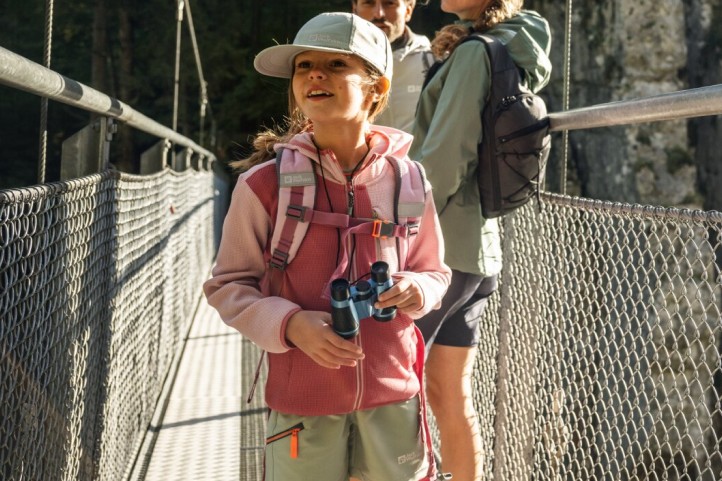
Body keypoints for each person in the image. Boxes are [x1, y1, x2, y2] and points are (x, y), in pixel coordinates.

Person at [203, 12, 451, 481]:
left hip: (394, 390)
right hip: (304, 400)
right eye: (304, 66)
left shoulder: (408, 182)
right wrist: (290, 324)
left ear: (377, 89)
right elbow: (227, 286)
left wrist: (416, 287)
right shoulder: (265, 185)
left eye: (337, 64)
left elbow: (435, 270)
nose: (315, 73)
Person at [409, 1, 552, 480]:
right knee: (450, 394)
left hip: (437, 249)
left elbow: (445, 156)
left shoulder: (474, 53)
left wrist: (399, 222)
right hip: (480, 250)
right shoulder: (515, 46)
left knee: (388, 390)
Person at [351, 0, 434, 132]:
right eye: (369, 3)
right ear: (354, 10)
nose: (379, 14)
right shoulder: (335, 65)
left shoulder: (435, 61)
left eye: (389, 3)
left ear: (408, 10)